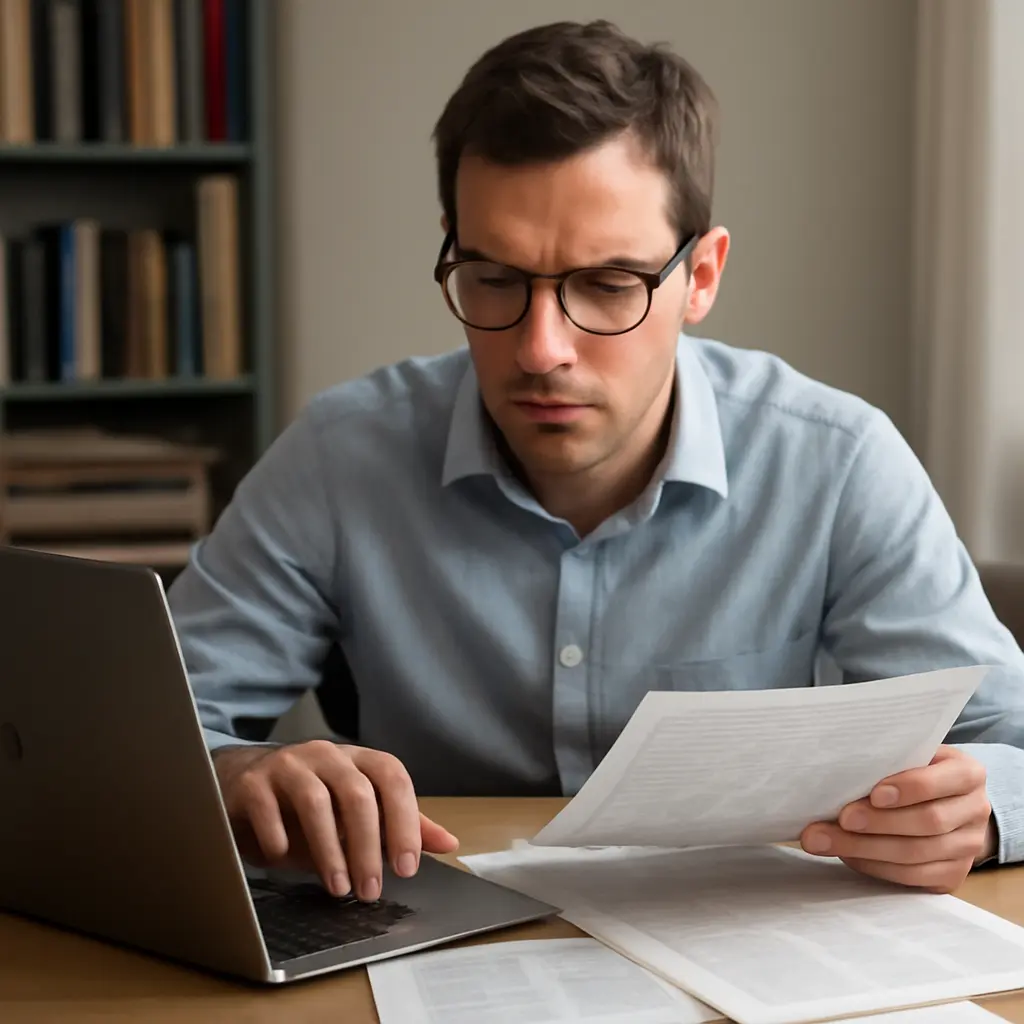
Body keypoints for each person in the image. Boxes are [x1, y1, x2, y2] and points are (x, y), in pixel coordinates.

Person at [168, 19, 1024, 906]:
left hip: (737, 946)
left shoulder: (837, 461)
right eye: (494, 279)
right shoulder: (341, 457)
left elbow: (1015, 741)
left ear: (701, 276)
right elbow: (136, 733)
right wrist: (238, 773)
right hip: (433, 941)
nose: (542, 349)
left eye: (608, 285)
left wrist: (979, 809)